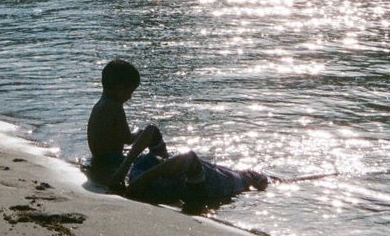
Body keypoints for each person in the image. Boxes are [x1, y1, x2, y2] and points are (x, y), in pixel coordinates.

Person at [86, 58, 268, 205]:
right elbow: (127, 139)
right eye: (130, 92)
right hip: (120, 164)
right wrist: (137, 137)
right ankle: (154, 162)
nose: (130, 97)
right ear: (120, 89)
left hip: (106, 161)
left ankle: (157, 160)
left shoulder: (99, 106)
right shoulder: (115, 107)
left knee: (155, 139)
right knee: (156, 142)